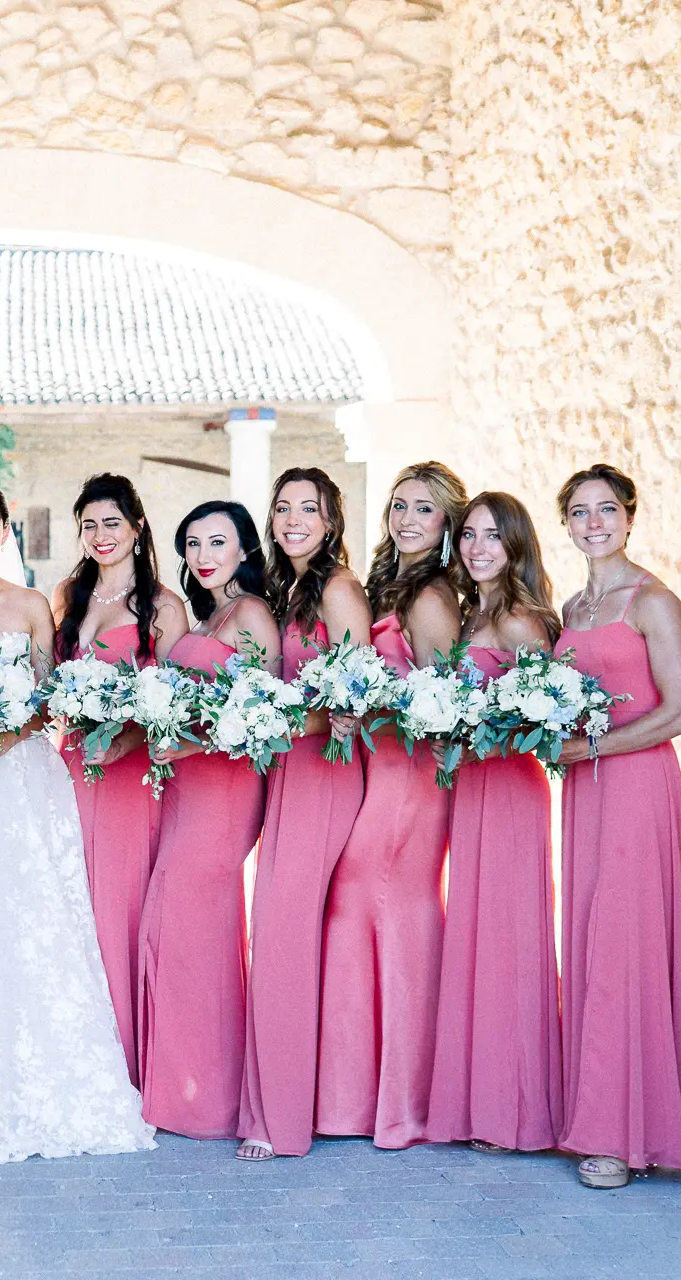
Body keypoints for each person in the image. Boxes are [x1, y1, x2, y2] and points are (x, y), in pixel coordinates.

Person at [0, 482, 156, 1165]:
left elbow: (48, 702)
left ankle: (45, 1077)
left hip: (19, 778)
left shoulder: (33, 605)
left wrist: (6, 738)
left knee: (28, 917)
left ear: (6, 532)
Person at [554, 464, 681, 1187]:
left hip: (634, 788)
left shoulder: (652, 601)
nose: (594, 523)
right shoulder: (571, 608)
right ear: (565, 523)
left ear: (629, 516)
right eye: (580, 512)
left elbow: (680, 713)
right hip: (584, 792)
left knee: (625, 943)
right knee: (592, 941)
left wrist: (592, 745)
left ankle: (622, 1138)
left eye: (606, 510)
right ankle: (596, 1111)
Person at [317, 461, 465, 1149]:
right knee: (363, 915)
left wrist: (375, 703)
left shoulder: (430, 596)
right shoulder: (385, 584)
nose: (407, 518)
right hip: (380, 769)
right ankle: (359, 1098)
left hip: (411, 780)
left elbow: (446, 705)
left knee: (377, 909)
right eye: (400, 505)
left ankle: (403, 1103)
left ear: (447, 525)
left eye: (425, 510)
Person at [236, 469, 370, 1161]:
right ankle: (282, 1100)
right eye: (283, 507)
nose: (293, 519)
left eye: (307, 509)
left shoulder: (340, 588)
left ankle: (279, 1121)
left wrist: (273, 719)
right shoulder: (283, 592)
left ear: (330, 519)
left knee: (284, 934)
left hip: (324, 771)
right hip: (288, 771)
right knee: (279, 934)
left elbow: (354, 700)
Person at [425, 491, 562, 1154]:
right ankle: (483, 1103)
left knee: (508, 942)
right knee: (478, 938)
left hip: (509, 791)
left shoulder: (519, 618)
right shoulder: (475, 607)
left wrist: (485, 733)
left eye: (491, 537)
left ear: (516, 546)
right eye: (469, 536)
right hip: (472, 791)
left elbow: (548, 720)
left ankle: (514, 1114)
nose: (478, 548)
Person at [138, 500, 278, 1141]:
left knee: (196, 930)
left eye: (217, 542)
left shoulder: (249, 613)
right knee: (172, 927)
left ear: (245, 549)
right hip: (186, 786)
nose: (203, 554)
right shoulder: (207, 614)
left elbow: (262, 715)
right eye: (192, 543)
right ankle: (177, 1088)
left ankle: (212, 1101)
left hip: (223, 789)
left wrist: (191, 744)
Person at [49, 474, 187, 1084]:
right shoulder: (64, 596)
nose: (100, 536)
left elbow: (181, 702)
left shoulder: (162, 606)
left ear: (136, 527)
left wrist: (127, 738)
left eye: (112, 523)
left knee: (119, 906)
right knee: (71, 902)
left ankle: (126, 1062)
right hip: (73, 766)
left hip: (132, 773)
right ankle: (77, 1056)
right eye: (89, 525)